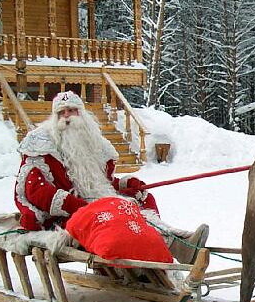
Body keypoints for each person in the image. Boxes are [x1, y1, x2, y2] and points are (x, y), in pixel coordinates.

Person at [14, 90, 207, 263]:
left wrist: (126, 184)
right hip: (67, 217)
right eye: (61, 113)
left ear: (82, 114)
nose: (67, 117)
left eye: (72, 110)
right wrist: (75, 205)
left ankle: (173, 241)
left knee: (141, 200)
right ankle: (176, 247)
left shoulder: (92, 142)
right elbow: (35, 189)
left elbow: (102, 182)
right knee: (118, 215)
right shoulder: (41, 145)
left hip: (99, 203)